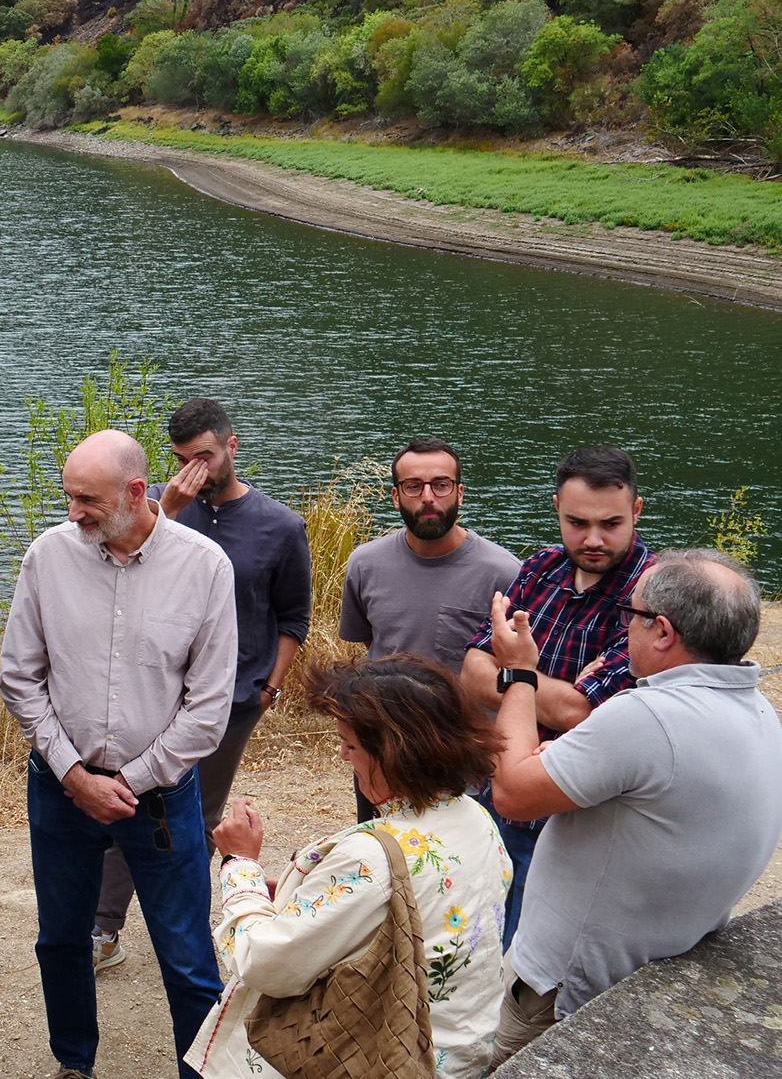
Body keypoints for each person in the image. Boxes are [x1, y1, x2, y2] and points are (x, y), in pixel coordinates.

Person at [0, 428, 236, 1079]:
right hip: (59, 787)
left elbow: (209, 708)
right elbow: (19, 676)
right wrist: (76, 775)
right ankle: (74, 1064)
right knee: (61, 941)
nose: (72, 512)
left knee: (188, 959)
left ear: (137, 493)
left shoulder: (205, 567)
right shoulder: (48, 555)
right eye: (69, 495)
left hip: (158, 800)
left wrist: (123, 781)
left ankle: (202, 1072)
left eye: (87, 499)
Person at [484, 549, 782, 1064]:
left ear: (663, 632)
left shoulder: (647, 715)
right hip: (656, 968)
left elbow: (510, 791)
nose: (627, 628)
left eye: (632, 616)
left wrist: (519, 674)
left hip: (565, 990)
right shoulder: (758, 710)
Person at [186, 655, 510, 1079]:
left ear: (396, 753)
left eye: (350, 744)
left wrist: (239, 865)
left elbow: (266, 962)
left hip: (376, 1057)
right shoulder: (475, 817)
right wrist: (300, 893)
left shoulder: (371, 855)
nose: (341, 755)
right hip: (455, 1053)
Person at [93, 399, 311, 973]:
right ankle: (105, 929)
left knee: (196, 813)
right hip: (152, 689)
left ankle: (202, 932)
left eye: (206, 456)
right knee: (127, 798)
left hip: (233, 697)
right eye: (184, 458)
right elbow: (116, 571)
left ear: (231, 447)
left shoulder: (280, 526)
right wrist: (169, 506)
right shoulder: (159, 510)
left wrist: (270, 686)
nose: (197, 468)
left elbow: (293, 617)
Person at [457, 446, 653, 945]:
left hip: (574, 813)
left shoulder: (653, 597)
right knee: (480, 935)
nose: (592, 539)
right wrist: (537, 685)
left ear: (637, 511)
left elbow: (583, 711)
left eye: (610, 523)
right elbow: (471, 672)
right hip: (498, 788)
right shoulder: (542, 568)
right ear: (556, 510)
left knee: (535, 956)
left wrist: (517, 668)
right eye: (577, 522)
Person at [337, 437, 519, 820]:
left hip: (463, 760)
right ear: (395, 496)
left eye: (441, 484)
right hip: (382, 751)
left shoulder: (502, 573)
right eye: (413, 486)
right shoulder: (364, 564)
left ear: (460, 493)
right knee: (381, 859)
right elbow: (375, 642)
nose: (428, 497)